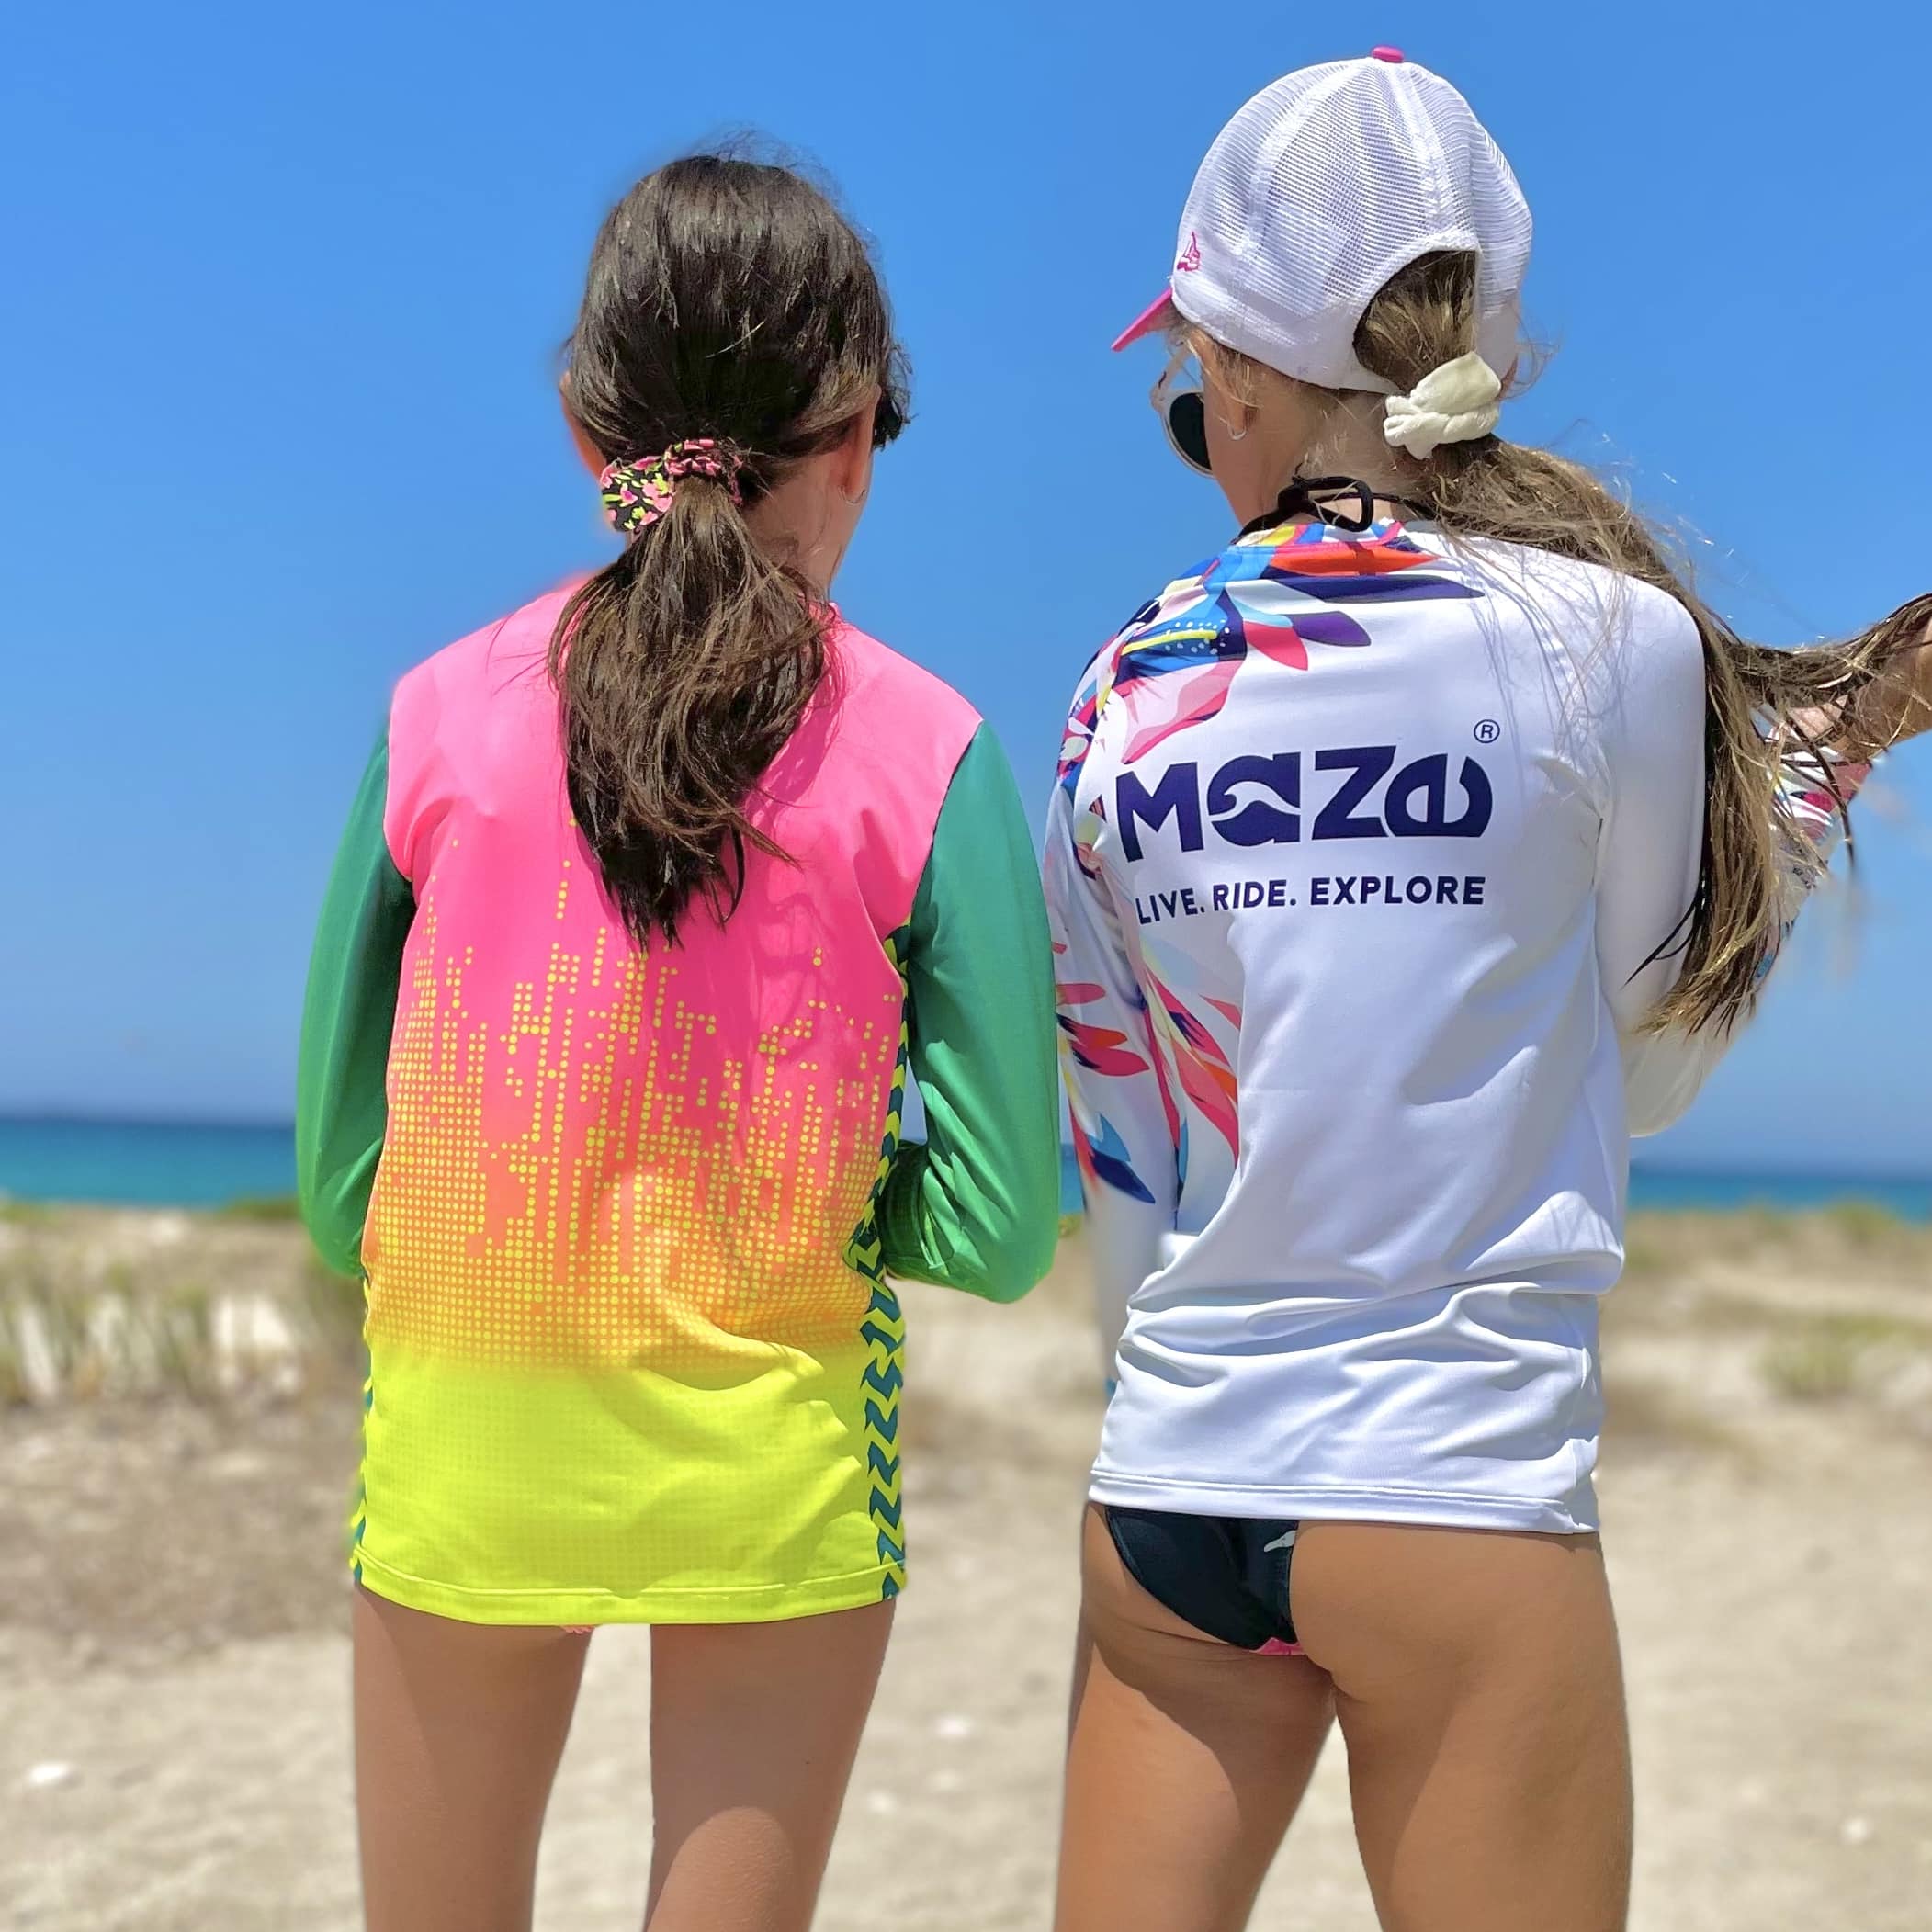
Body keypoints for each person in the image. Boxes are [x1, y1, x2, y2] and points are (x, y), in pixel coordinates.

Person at [1045, 51, 1931, 1932]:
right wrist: (1808, 778)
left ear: (1239, 371)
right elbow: (1646, 1069)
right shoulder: (1611, 645)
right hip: (1447, 1483)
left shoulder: (1119, 686)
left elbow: (1124, 1155)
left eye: (1186, 379)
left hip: (1172, 1484)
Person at [296, 153, 1060, 1932]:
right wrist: (816, 1194)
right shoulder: (929, 748)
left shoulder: (432, 717)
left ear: (588, 428)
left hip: (467, 1441)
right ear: (854, 437)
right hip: (769, 1475)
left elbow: (344, 1198)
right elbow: (1006, 1225)